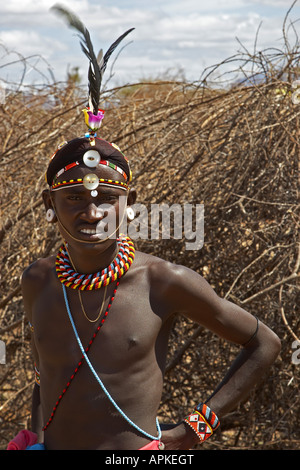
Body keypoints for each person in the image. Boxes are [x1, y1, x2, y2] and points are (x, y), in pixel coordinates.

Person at [7, 6, 281, 451]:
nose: (92, 211)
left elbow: (263, 344)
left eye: (106, 198)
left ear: (128, 205)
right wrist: (34, 437)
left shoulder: (162, 282)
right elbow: (46, 372)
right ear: (49, 205)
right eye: (74, 198)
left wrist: (190, 433)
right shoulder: (37, 280)